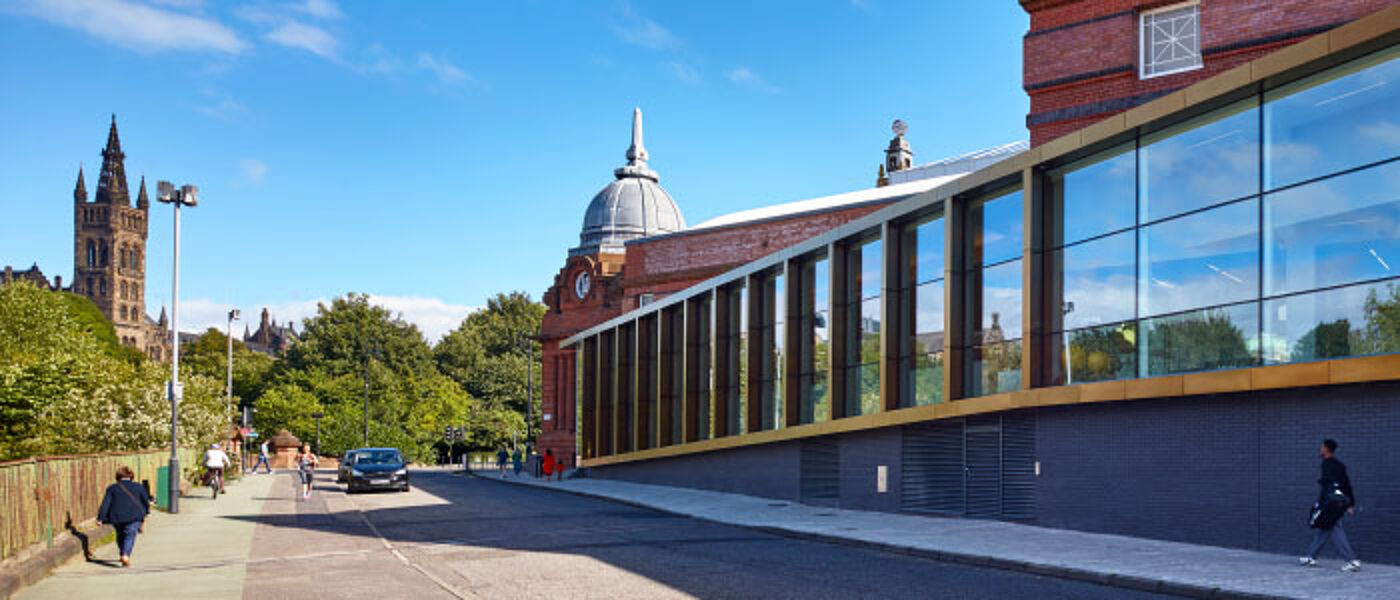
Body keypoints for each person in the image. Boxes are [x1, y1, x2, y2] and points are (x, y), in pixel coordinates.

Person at [1300, 438, 1361, 572]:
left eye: (1321, 447)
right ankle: (1311, 556)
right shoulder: (1340, 465)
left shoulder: (1326, 464)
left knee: (1334, 528)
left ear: (1327, 449)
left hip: (1330, 503)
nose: (1320, 449)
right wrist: (1350, 504)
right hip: (1340, 502)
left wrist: (1320, 502)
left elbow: (1327, 486)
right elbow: (1347, 485)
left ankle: (1352, 561)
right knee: (1324, 527)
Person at [97, 466, 151, 568]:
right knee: (130, 535)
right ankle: (125, 555)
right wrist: (147, 512)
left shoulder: (112, 488)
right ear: (131, 476)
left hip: (117, 517)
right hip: (134, 516)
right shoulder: (138, 487)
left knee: (120, 535)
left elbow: (106, 504)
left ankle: (122, 552)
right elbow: (145, 501)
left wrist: (100, 518)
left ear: (118, 476)